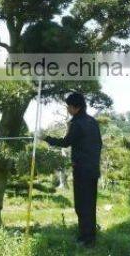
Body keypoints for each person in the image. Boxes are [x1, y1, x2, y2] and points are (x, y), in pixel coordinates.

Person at [41, 92, 102, 248]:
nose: (68, 108)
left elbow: (66, 142)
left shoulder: (77, 123)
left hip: (81, 170)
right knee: (90, 205)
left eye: (69, 106)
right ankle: (90, 238)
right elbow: (99, 144)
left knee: (81, 205)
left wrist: (46, 138)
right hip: (93, 170)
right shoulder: (92, 121)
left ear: (77, 107)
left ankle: (85, 240)